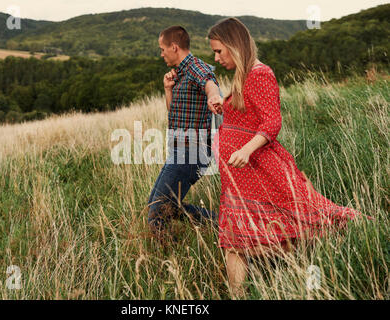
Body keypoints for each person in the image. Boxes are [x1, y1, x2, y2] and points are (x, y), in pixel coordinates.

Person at [206, 18, 362, 296]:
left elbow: (272, 121)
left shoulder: (260, 73)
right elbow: (249, 114)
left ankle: (325, 241)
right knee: (234, 241)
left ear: (234, 45)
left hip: (258, 169)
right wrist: (224, 105)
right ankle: (237, 294)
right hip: (239, 177)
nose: (216, 58)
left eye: (219, 51)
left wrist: (245, 150)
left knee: (288, 228)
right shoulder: (243, 76)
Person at [147, 26, 220, 243]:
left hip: (193, 152)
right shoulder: (178, 73)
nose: (161, 54)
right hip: (180, 150)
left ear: (174, 47)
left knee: (156, 212)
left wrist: (214, 97)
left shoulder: (195, 67)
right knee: (164, 205)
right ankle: (222, 222)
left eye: (162, 49)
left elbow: (210, 83)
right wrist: (168, 89)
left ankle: (168, 261)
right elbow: (173, 111)